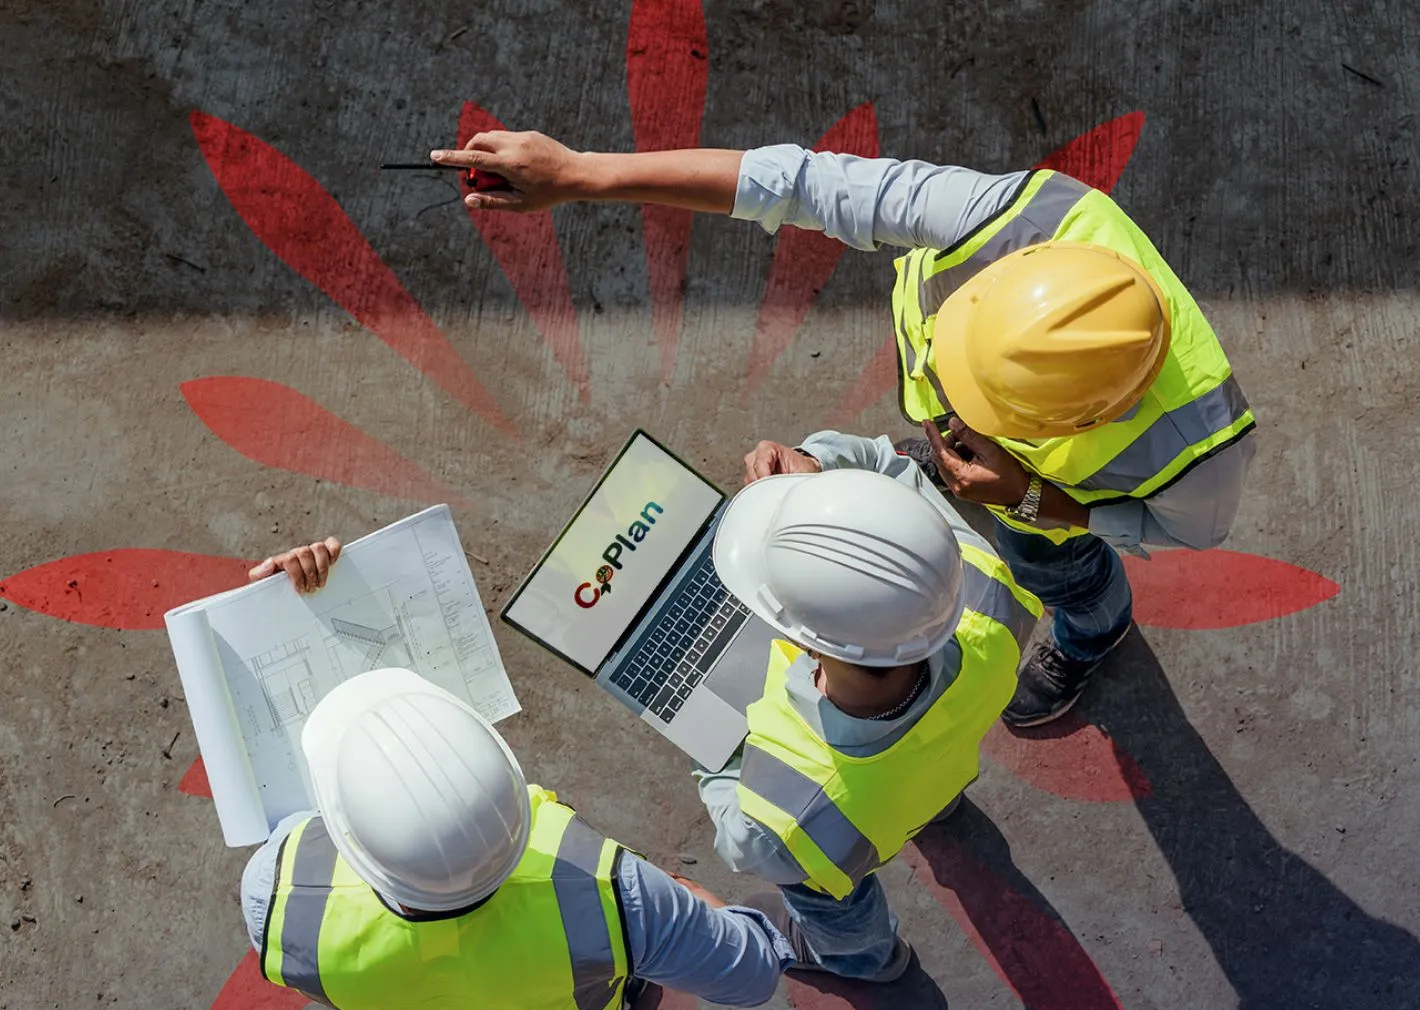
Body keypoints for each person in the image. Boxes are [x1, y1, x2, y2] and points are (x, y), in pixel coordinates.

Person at [430, 132, 1256, 727]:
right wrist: (582, 173)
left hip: (1041, 508)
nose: (947, 407)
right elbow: (799, 184)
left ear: (1082, 417)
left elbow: (1184, 532)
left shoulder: (1201, 456)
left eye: (977, 406)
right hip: (1009, 478)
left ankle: (1095, 631)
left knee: (1064, 575)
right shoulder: (1010, 218)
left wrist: (1042, 502)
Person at [240, 540, 793, 1010]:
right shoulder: (616, 896)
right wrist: (698, 907)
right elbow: (749, 972)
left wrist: (278, 614)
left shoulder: (276, 896)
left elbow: (288, 805)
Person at [694, 434, 1041, 980]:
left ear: (804, 643)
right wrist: (819, 470)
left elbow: (741, 843)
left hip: (846, 833)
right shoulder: (987, 595)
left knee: (823, 895)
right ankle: (936, 810)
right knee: (924, 778)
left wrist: (709, 746)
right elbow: (892, 473)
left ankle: (863, 959)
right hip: (929, 771)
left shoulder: (782, 821)